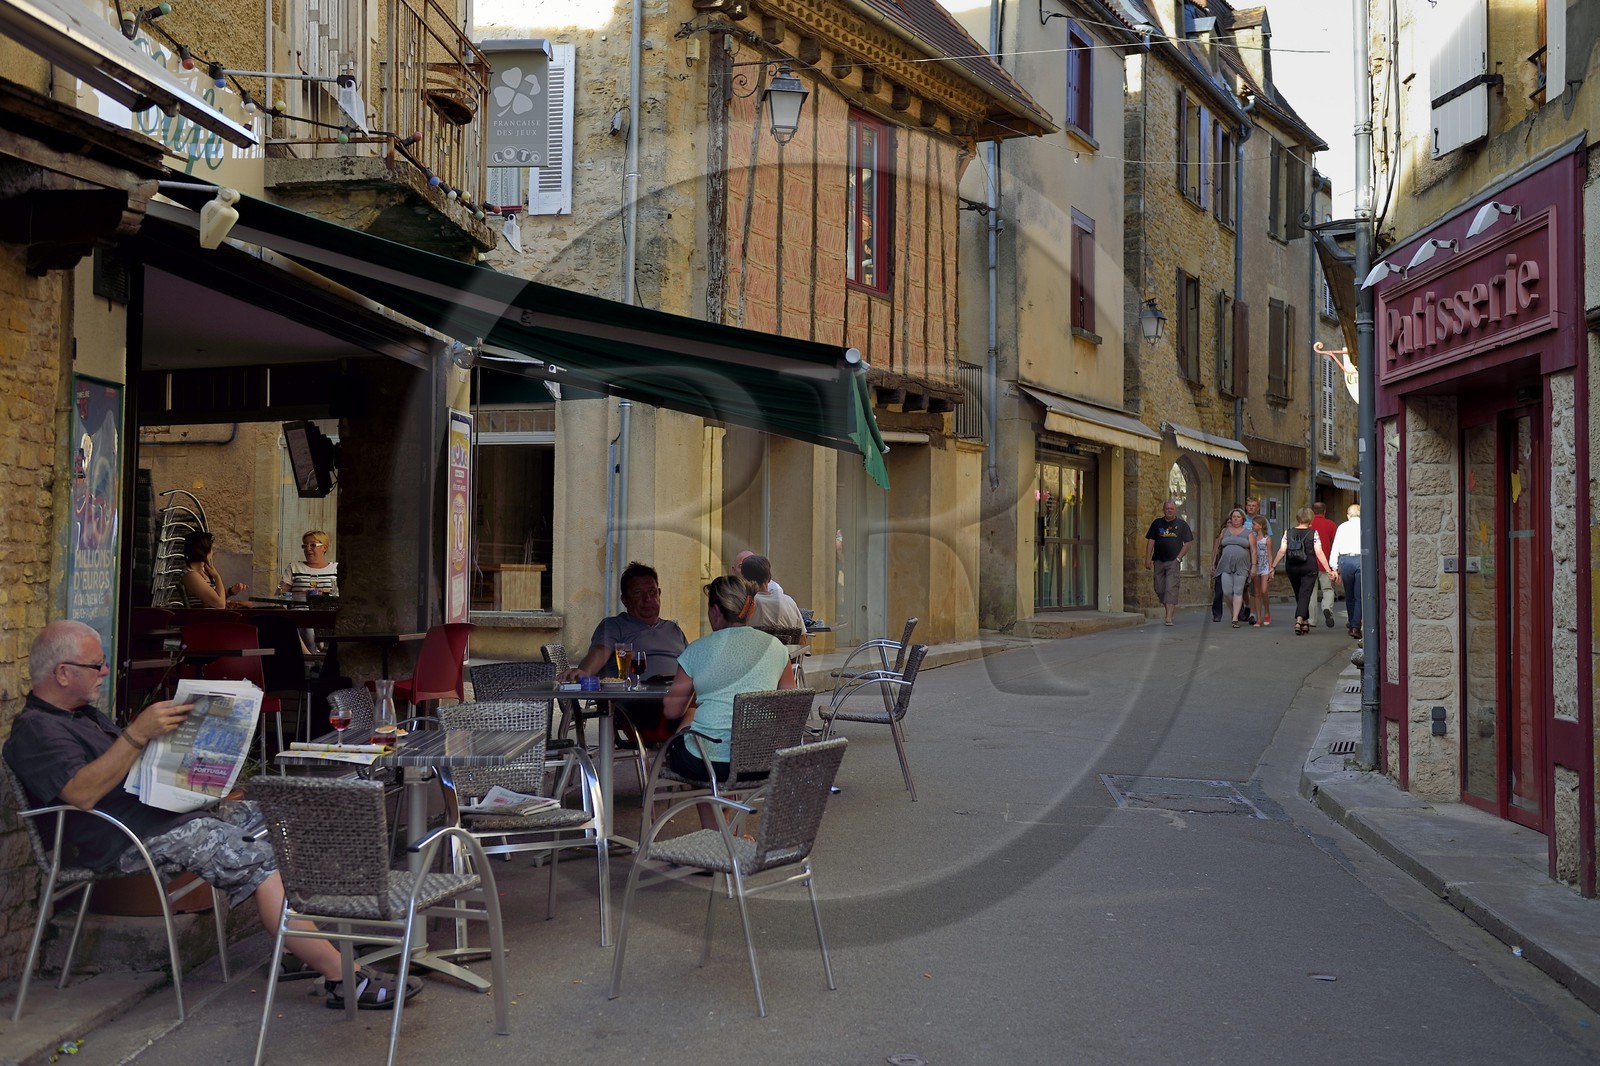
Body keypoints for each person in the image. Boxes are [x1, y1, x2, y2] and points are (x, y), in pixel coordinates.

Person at [2, 621, 418, 1010]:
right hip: (121, 839)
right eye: (96, 665)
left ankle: (302, 948)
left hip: (160, 815)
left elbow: (127, 767)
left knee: (282, 822)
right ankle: (343, 978)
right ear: (61, 673)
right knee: (259, 861)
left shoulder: (83, 716)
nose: (105, 671)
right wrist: (137, 734)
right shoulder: (36, 731)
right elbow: (81, 792)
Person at [661, 576, 796, 828]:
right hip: (761, 759)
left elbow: (671, 710)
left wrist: (695, 704)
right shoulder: (776, 648)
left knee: (692, 735)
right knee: (717, 742)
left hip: (710, 764)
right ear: (749, 609)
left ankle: (715, 839)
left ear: (715, 611)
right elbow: (790, 705)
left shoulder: (697, 650)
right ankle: (724, 833)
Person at [564, 562, 689, 740]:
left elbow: (694, 665)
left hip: (678, 699)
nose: (648, 599)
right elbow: (600, 652)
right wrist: (585, 671)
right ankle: (684, 745)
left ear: (659, 594)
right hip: (641, 708)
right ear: (625, 600)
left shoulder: (673, 629)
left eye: (652, 592)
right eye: (638, 593)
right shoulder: (615, 626)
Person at [1272, 506, 1335, 636]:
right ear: (1310, 518)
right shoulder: (1313, 533)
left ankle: (1305, 621)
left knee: (1299, 594)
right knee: (1305, 593)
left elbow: (1282, 551)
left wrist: (1273, 566)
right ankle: (1300, 619)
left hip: (1292, 567)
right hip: (1309, 567)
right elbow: (1319, 552)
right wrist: (1328, 569)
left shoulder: (1287, 532)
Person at [739, 554, 808, 661]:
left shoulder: (745, 604)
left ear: (743, 579)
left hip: (752, 666)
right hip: (785, 666)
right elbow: (802, 639)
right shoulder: (789, 601)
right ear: (769, 577)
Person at [1143, 499, 1193, 626]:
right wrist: (1148, 558)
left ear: (1175, 510)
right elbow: (1151, 541)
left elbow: (1188, 543)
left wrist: (1179, 558)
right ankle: (1168, 611)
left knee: (1171, 587)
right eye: (1167, 508)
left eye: (1171, 509)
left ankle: (1168, 617)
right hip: (1158, 560)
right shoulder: (1157, 523)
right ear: (1163, 510)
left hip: (1173, 561)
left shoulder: (1182, 525)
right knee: (1159, 588)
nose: (1169, 511)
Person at [1212, 508, 1255, 628]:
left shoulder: (1248, 533)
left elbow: (1253, 550)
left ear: (1243, 519)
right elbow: (1218, 548)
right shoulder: (1225, 531)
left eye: (1238, 517)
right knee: (1226, 591)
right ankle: (1235, 610)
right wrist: (1213, 564)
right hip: (1225, 565)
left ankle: (1235, 618)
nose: (1235, 519)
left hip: (1242, 566)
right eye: (1233, 517)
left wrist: (1254, 566)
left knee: (1238, 590)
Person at [180, 530, 246, 609]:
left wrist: (231, 591)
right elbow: (220, 604)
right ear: (204, 551)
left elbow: (214, 596)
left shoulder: (205, 570)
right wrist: (217, 577)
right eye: (211, 548)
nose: (212, 552)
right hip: (206, 618)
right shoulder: (191, 575)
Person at [1330, 503, 1363, 638]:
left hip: (1346, 561)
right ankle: (1355, 626)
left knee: (1349, 595)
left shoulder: (1342, 527)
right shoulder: (1364, 525)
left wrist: (1334, 568)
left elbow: (1335, 547)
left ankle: (1351, 622)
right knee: (1359, 595)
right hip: (1361, 560)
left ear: (1348, 515)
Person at [281, 529, 338, 598]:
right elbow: (280, 595)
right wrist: (302, 595)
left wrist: (325, 594)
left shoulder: (336, 568)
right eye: (305, 546)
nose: (308, 549)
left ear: (324, 548)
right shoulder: (294, 567)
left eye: (313, 545)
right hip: (300, 608)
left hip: (328, 608)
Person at [1311, 502, 1339, 628]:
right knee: (1327, 589)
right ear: (1325, 510)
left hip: (1310, 563)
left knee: (1311, 592)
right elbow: (1336, 543)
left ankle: (1312, 619)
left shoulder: (1309, 524)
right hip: (1326, 562)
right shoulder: (1331, 525)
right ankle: (1327, 608)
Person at [1249, 516, 1274, 628]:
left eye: (1254, 524)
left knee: (1264, 590)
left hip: (1264, 566)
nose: (1252, 526)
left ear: (1260, 525)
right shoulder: (1252, 537)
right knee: (1257, 592)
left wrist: (1271, 569)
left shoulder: (1266, 538)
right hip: (1256, 566)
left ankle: (1267, 611)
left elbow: (1269, 555)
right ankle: (1259, 618)